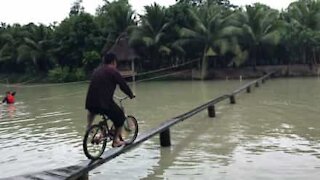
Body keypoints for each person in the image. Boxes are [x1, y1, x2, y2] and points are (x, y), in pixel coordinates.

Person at [85, 52, 135, 148]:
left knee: (92, 110)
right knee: (120, 118)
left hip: (90, 101)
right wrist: (131, 95)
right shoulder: (113, 71)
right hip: (104, 102)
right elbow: (123, 85)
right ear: (114, 62)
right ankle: (116, 141)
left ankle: (89, 126)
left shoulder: (96, 70)